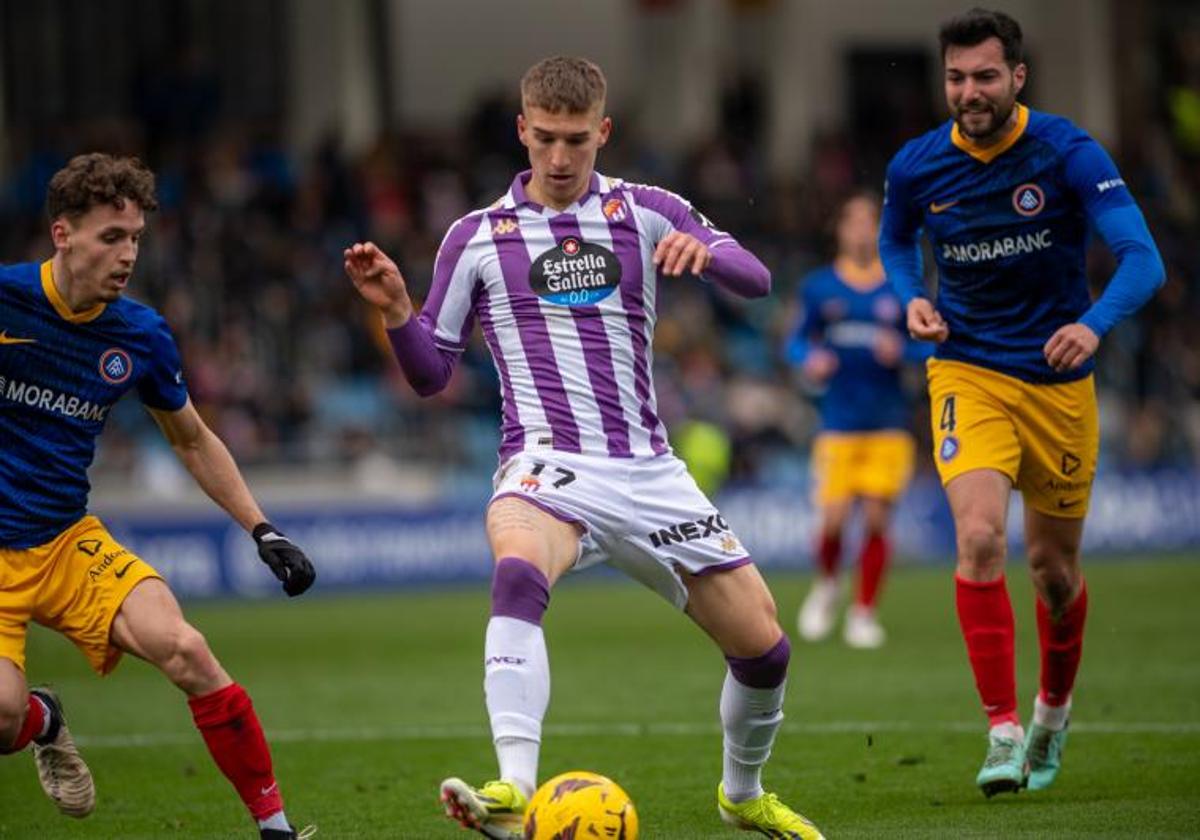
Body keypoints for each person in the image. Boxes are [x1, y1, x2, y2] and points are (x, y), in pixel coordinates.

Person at [346, 56, 824, 839]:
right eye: (545, 140)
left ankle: (742, 794)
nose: (561, 159)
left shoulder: (646, 210)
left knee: (765, 651)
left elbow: (758, 277)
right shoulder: (474, 238)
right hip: (546, 465)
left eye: (577, 140)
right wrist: (399, 309)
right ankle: (512, 788)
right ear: (521, 133)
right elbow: (431, 375)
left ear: (603, 132)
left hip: (648, 469)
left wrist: (709, 256)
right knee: (517, 568)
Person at [879, 9, 1165, 797]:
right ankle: (1002, 730)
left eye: (984, 77)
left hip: (1058, 383)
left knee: (1053, 570)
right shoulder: (916, 166)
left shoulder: (1067, 152)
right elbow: (897, 240)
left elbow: (1144, 260)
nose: (968, 93)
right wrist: (911, 297)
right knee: (977, 539)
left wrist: (1094, 323)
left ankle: (1053, 712)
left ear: (1018, 77)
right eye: (955, 79)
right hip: (966, 370)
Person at [0, 153, 317, 838]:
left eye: (136, 237)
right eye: (111, 237)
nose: (128, 254)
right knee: (3, 717)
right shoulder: (6, 302)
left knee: (187, 649)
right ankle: (43, 719)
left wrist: (263, 529)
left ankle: (277, 828)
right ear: (63, 234)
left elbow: (193, 440)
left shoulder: (140, 334)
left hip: (64, 541)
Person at [788, 190, 928, 649]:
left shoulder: (900, 287)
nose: (862, 231)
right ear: (841, 230)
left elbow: (929, 342)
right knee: (831, 520)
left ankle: (864, 612)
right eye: (854, 223)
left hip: (888, 422)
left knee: (875, 520)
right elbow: (794, 342)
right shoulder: (819, 287)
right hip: (838, 423)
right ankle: (828, 585)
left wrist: (903, 351)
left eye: (871, 223)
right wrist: (810, 358)